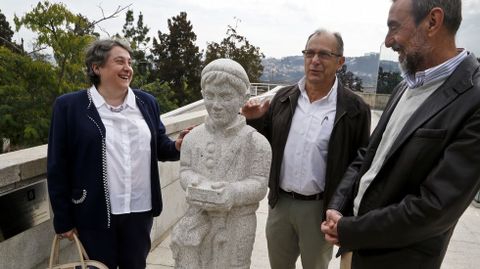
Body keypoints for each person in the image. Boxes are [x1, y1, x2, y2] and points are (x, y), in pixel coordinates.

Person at [321, 0, 480, 268]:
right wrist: (338, 205)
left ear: (432, 21)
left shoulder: (473, 100)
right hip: (354, 251)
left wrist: (350, 230)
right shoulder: (406, 86)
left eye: (394, 27)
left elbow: (434, 209)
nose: (388, 40)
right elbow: (369, 155)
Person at [47, 38, 189, 269]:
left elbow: (159, 145)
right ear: (97, 67)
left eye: (130, 62)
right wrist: (63, 218)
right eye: (119, 61)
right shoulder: (69, 107)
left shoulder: (146, 103)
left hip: (139, 211)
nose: (127, 68)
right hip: (93, 212)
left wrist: (177, 146)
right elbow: (57, 165)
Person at [241, 29, 371, 269]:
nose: (315, 61)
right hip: (280, 205)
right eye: (309, 53)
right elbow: (266, 145)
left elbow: (360, 162)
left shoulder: (355, 109)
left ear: (340, 62)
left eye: (324, 54)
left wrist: (342, 210)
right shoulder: (283, 98)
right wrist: (255, 120)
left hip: (319, 209)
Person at [170, 58, 271, 269]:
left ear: (243, 98)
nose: (216, 105)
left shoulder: (257, 142)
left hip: (238, 223)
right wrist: (195, 182)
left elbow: (260, 184)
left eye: (225, 97)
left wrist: (232, 192)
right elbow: (185, 170)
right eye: (210, 96)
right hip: (199, 218)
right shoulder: (192, 138)